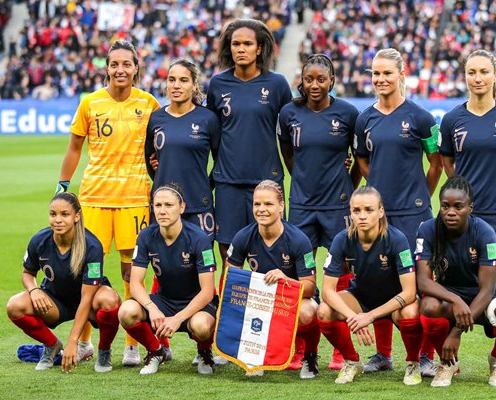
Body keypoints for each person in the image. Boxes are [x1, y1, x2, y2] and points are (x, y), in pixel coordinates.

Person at [57, 39, 161, 366]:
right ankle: (86, 341)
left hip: (135, 198)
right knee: (90, 271)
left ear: (136, 68)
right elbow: (75, 147)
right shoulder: (90, 103)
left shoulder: (149, 104)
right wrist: (63, 185)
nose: (120, 70)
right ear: (107, 67)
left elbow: (159, 148)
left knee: (133, 273)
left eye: (126, 64)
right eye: (114, 64)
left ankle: (132, 344)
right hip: (94, 197)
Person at [439, 49, 496, 380]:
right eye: (471, 72)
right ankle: (450, 358)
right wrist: (460, 198)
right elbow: (448, 164)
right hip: (463, 218)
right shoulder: (451, 120)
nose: (477, 78)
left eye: (483, 72)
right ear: (464, 76)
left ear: (495, 76)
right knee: (457, 279)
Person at [353, 48, 442, 376]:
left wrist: (422, 196)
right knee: (380, 280)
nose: (380, 79)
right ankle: (383, 354)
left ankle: (425, 356)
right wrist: (377, 191)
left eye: (387, 73)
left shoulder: (421, 118)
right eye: (375, 73)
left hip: (415, 214)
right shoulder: (365, 119)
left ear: (401, 74)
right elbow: (363, 161)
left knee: (421, 284)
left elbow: (436, 164)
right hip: (380, 216)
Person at [278, 53, 360, 371]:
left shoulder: (348, 113)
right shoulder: (289, 113)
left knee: (341, 279)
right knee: (300, 280)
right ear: (302, 79)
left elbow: (359, 157)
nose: (314, 85)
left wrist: (346, 184)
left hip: (338, 206)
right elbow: (287, 152)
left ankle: (341, 350)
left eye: (320, 79)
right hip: (301, 206)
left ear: (332, 81)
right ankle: (301, 350)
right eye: (308, 79)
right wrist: (299, 178)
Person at [145, 58, 222, 366]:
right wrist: (166, 196)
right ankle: (159, 346)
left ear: (194, 85)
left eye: (182, 80)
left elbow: (221, 161)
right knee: (160, 270)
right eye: (171, 79)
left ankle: (205, 352)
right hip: (165, 209)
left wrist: (202, 187)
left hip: (199, 210)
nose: (176, 85)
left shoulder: (207, 119)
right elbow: (150, 160)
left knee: (199, 276)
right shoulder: (156, 119)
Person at [416, 176, 496, 387]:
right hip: (450, 292)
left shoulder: (485, 232)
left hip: (484, 294)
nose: (451, 212)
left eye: (458, 206)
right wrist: (456, 300)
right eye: (445, 206)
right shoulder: (427, 230)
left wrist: (456, 333)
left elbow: (488, 288)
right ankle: (448, 363)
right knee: (428, 306)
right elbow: (423, 282)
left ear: (470, 208)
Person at [207, 18, 292, 269]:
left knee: (273, 252)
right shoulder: (217, 84)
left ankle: (269, 309)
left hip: (266, 181)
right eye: (235, 44)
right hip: (228, 183)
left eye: (247, 43)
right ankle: (231, 308)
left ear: (259, 48)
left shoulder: (276, 84)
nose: (240, 49)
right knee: (229, 257)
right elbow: (209, 133)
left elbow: (293, 128)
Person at [318, 186, 423, 385]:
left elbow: (410, 292)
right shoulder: (342, 239)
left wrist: (370, 316)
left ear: (381, 211)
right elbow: (327, 291)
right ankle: (352, 361)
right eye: (356, 211)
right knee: (324, 311)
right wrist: (353, 317)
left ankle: (413, 363)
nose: (362, 216)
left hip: (395, 300)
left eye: (369, 210)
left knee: (411, 313)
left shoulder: (397, 239)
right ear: (350, 213)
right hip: (362, 297)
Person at [6, 193, 121, 373]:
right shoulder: (39, 240)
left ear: (77, 216)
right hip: (55, 301)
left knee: (110, 300)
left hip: (88, 301)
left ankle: (104, 350)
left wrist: (73, 341)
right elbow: (27, 274)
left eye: (64, 214)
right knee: (14, 306)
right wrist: (34, 289)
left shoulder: (92, 246)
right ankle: (52, 346)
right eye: (53, 214)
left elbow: (86, 298)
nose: (58, 220)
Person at [117, 184, 218, 375]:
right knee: (126, 312)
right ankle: (156, 351)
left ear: (182, 207)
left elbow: (207, 291)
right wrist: (151, 307)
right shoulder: (146, 236)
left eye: (169, 205)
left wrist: (177, 319)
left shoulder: (199, 239)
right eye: (158, 205)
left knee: (202, 327)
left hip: (197, 302)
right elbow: (135, 283)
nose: (162, 211)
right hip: (164, 300)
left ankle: (205, 352)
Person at [225, 180, 319, 379]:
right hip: (261, 298)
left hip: (290, 299)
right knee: (236, 301)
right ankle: (254, 355)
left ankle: (310, 357)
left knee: (307, 311)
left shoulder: (299, 240)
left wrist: (285, 280)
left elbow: (310, 288)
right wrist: (250, 285)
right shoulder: (243, 236)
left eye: (268, 204)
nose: (262, 209)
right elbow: (230, 279)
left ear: (281, 206)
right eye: (257, 204)